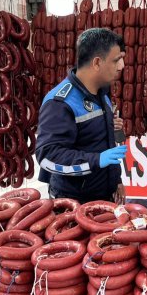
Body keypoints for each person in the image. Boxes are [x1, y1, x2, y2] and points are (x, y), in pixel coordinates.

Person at [35, 28, 127, 204]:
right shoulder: (60, 102)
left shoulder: (102, 94)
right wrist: (96, 160)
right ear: (97, 63)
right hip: (72, 202)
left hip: (104, 195)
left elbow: (102, 143)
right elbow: (47, 158)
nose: (122, 66)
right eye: (116, 60)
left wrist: (116, 180)